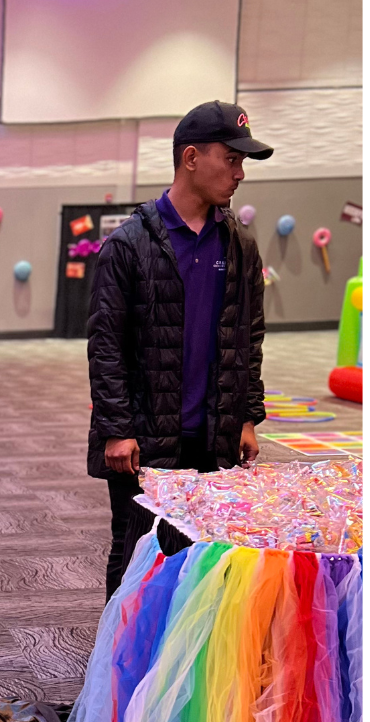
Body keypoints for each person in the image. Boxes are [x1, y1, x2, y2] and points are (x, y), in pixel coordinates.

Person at [87, 100, 272, 599]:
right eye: (231, 160)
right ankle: (124, 669)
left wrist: (248, 416)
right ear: (191, 158)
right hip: (144, 437)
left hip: (215, 433)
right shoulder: (128, 246)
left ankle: (185, 671)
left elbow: (248, 336)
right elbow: (106, 347)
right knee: (139, 556)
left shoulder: (239, 243)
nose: (239, 174)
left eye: (242, 164)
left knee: (206, 558)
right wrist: (117, 430)